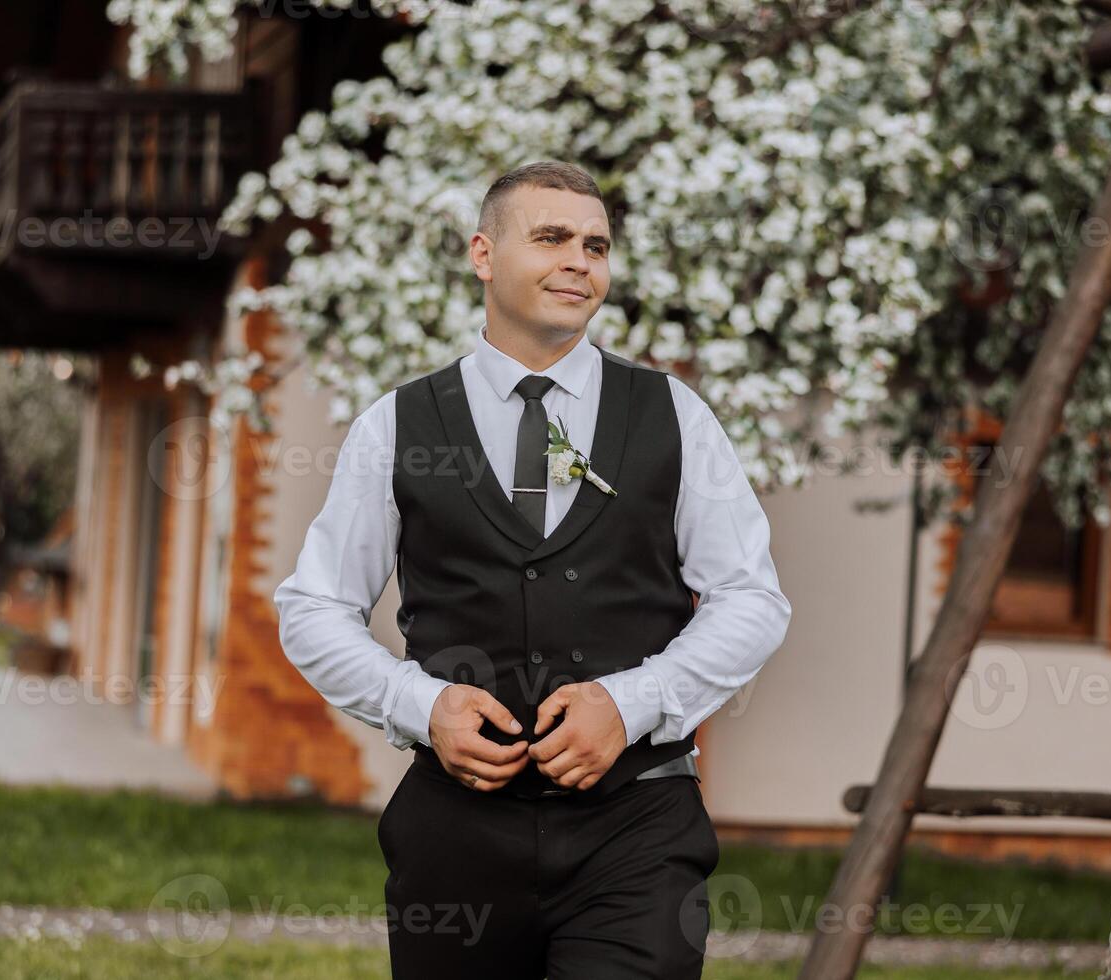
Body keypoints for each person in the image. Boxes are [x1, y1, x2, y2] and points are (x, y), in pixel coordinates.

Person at [274, 160, 791, 979]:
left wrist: (633, 702)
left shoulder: (673, 416)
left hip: (639, 829)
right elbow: (312, 608)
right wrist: (421, 704)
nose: (580, 261)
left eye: (596, 244)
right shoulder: (397, 425)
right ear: (484, 255)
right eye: (550, 238)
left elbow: (751, 600)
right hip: (456, 839)